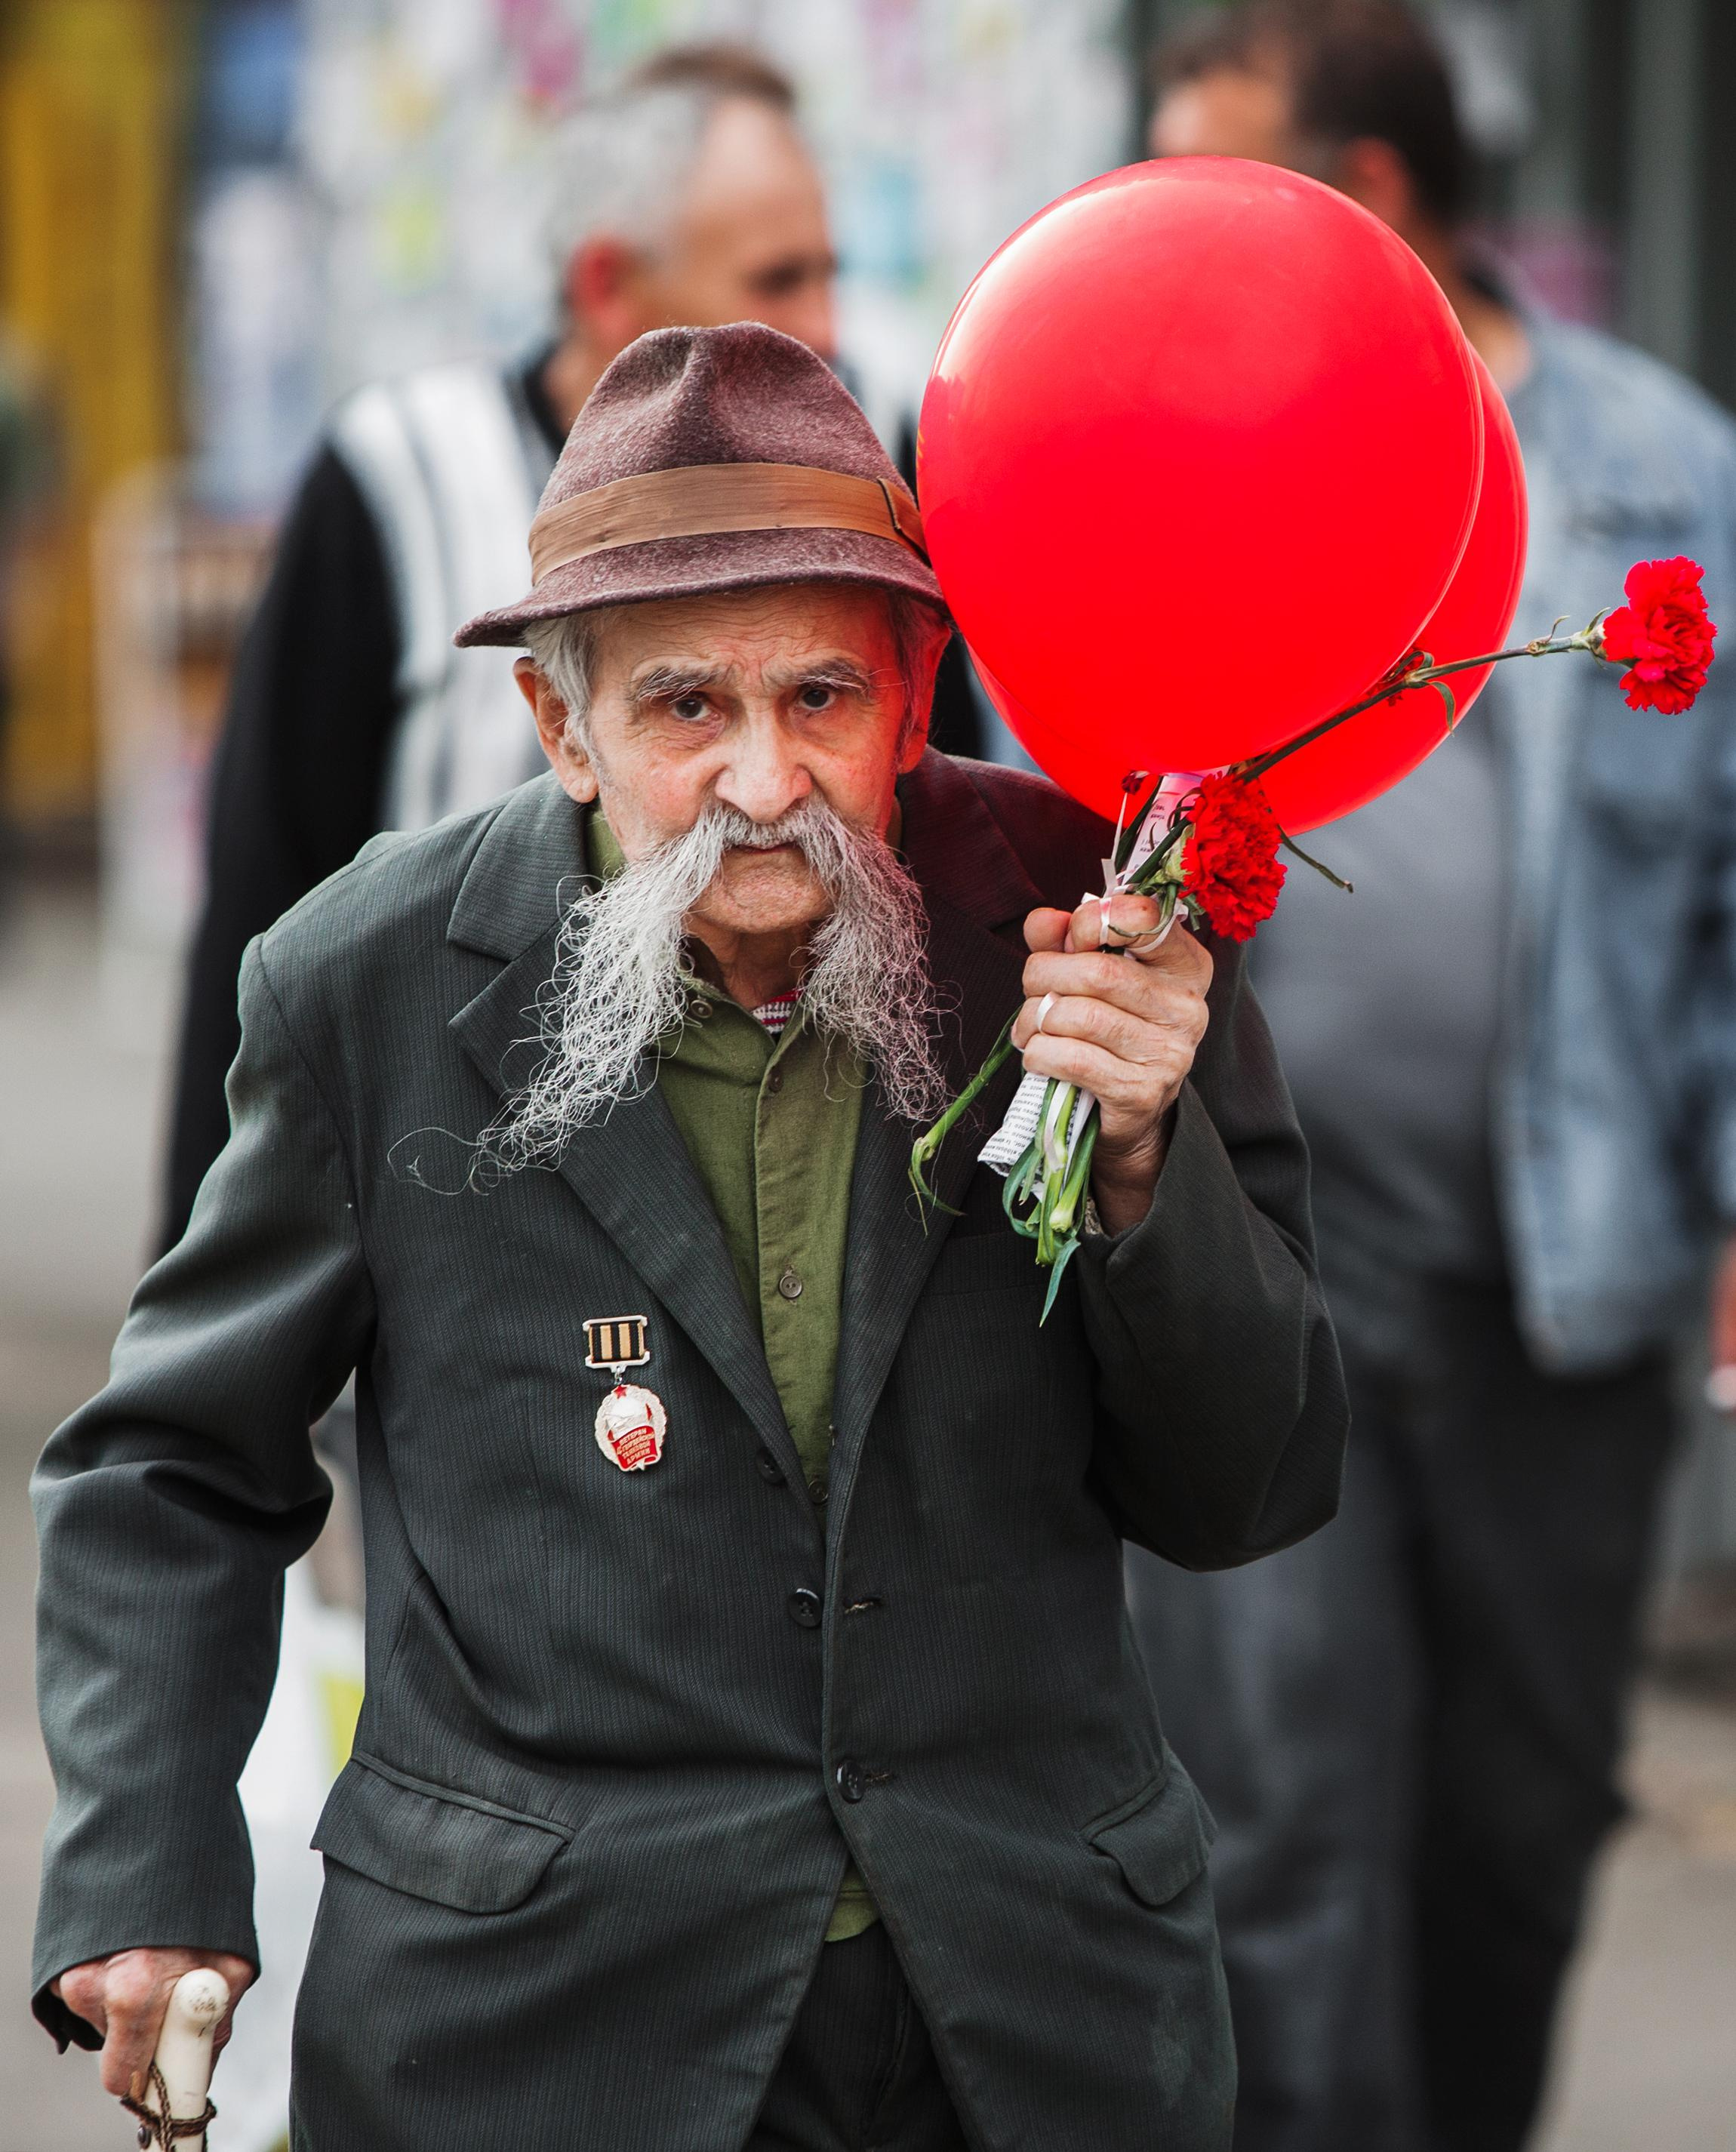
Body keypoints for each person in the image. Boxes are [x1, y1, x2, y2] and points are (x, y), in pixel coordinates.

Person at [33, 322, 1346, 2152]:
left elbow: (1253, 1491)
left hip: (1028, 2019)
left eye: (821, 698)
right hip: (541, 2033)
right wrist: (151, 1867)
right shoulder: (368, 983)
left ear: (914, 690)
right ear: (561, 725)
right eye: (683, 709)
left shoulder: (1094, 925)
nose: (760, 780)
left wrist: (1141, 1164)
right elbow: (169, 1463)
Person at [1129, 8, 1736, 2151]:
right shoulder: (1184, 435)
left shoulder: (1661, 471)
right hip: (1267, 1272)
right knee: (1281, 1841)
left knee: (1510, 1828)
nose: (1161, 227)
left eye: (1216, 174)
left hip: (1568, 1300)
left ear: (1369, 197)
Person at [163, 39, 977, 1253]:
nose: (825, 326)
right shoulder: (401, 476)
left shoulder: (876, 468)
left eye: (817, 693)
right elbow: (262, 889)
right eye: (779, 276)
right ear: (607, 285)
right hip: (464, 1217)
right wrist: (208, 1261)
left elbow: (941, 840)